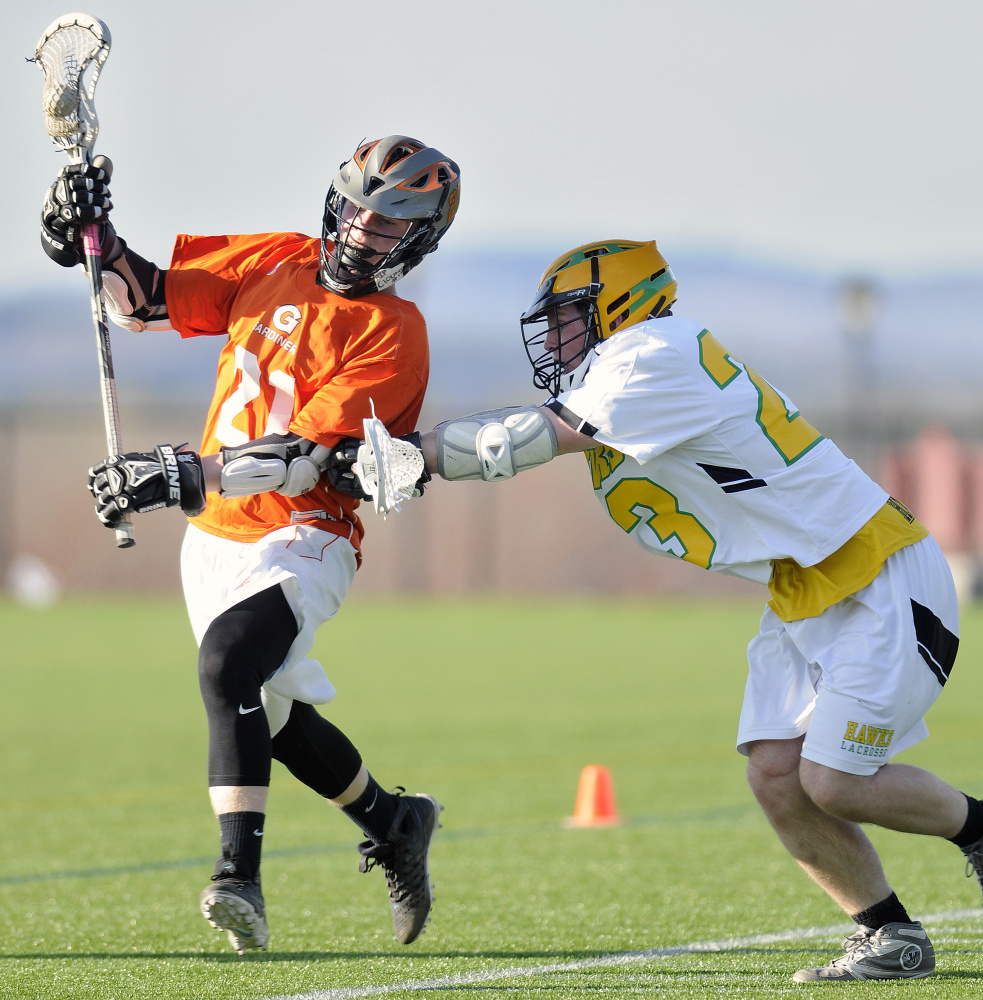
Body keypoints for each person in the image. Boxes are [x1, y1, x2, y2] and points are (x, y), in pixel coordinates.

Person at [357, 238, 983, 982]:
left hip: (876, 572)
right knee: (776, 774)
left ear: (617, 305)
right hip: (807, 586)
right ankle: (889, 934)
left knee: (833, 780)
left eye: (566, 317)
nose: (554, 336)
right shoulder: (628, 370)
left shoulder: (653, 349)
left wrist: (415, 455)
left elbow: (536, 437)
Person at [40, 135, 460, 955]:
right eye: (357, 209)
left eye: (387, 224)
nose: (362, 230)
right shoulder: (277, 258)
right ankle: (396, 821)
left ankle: (238, 879)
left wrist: (172, 475)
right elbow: (146, 301)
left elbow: (301, 461)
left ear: (417, 239)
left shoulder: (393, 332)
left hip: (306, 533)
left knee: (227, 667)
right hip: (215, 539)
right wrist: (89, 236)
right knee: (268, 716)